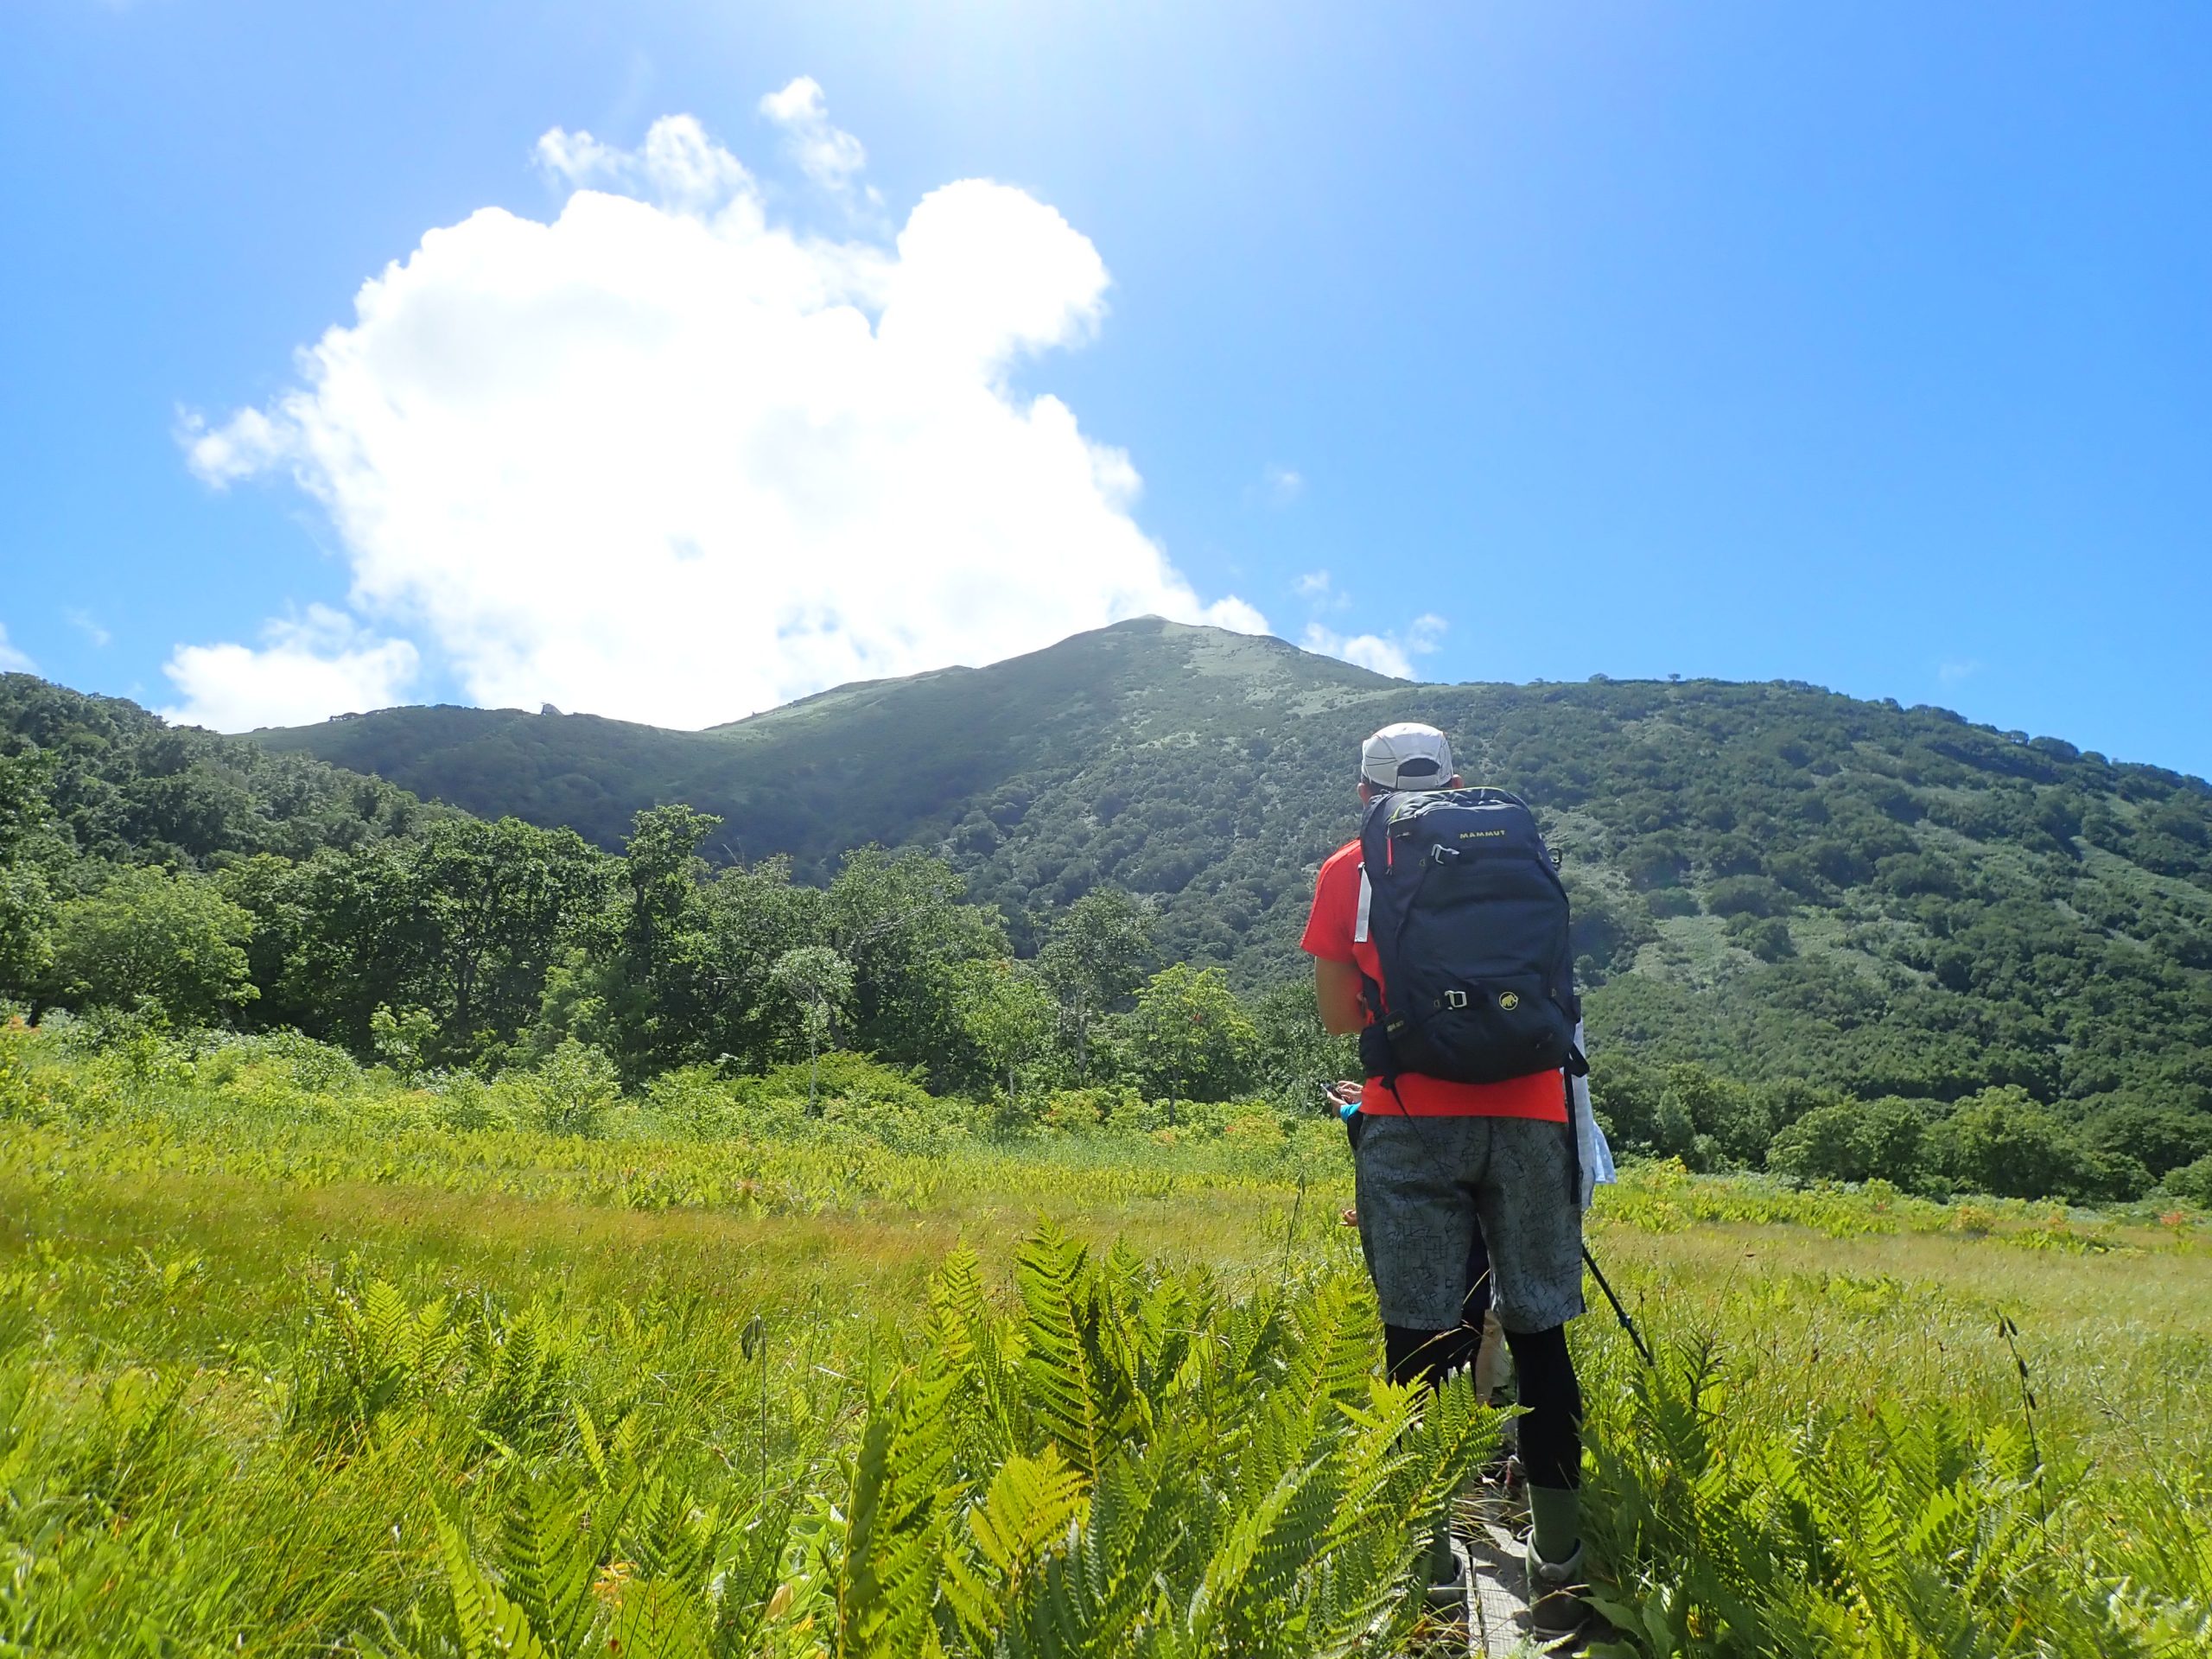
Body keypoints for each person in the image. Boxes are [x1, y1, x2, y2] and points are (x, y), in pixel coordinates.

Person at [1302, 721, 1591, 1633]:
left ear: (1366, 793)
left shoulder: (1352, 866)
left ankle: (1428, 1564)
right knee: (1540, 1331)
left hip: (1408, 1118)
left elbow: (1339, 1017)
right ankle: (1559, 1563)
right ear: (1457, 785)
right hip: (1534, 1115)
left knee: (1418, 1339)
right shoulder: (1518, 853)